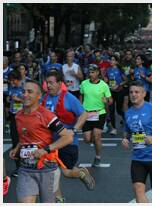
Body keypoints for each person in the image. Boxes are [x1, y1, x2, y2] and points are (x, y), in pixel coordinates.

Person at [9, 80, 73, 203]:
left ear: (39, 96)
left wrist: (45, 149)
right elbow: (24, 136)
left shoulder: (47, 115)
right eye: (23, 91)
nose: (25, 94)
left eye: (30, 92)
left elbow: (67, 137)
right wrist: (17, 147)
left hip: (47, 169)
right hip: (26, 169)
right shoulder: (18, 116)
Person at [42, 70, 95, 202]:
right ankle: (58, 199)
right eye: (47, 83)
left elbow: (84, 115)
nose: (48, 86)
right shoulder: (45, 97)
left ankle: (81, 172)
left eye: (51, 83)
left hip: (67, 143)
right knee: (51, 173)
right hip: (50, 143)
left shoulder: (69, 98)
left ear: (60, 83)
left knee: (66, 172)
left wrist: (75, 130)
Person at [80, 64, 112, 166]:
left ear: (98, 73)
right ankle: (96, 143)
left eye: (93, 72)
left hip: (99, 113)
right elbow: (81, 96)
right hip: (86, 113)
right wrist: (80, 107)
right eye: (89, 72)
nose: (91, 74)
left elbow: (110, 100)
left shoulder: (104, 85)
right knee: (87, 139)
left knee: (97, 137)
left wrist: (106, 100)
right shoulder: (84, 83)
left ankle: (98, 157)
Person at [7, 69, 24, 177]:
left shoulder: (24, 88)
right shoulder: (11, 88)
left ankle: (27, 167)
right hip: (13, 117)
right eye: (11, 81)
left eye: (14, 81)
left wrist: (19, 100)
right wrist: (9, 99)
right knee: (15, 142)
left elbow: (31, 101)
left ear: (18, 80)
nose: (12, 83)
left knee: (24, 143)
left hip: (23, 118)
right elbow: (9, 99)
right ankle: (18, 168)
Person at [105, 55, 127, 135]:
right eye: (110, 60)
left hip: (119, 91)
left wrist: (119, 85)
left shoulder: (120, 70)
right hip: (111, 92)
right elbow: (106, 80)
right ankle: (114, 128)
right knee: (111, 110)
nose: (111, 61)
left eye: (113, 60)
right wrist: (106, 81)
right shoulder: (108, 70)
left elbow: (126, 80)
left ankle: (126, 119)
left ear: (117, 62)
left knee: (119, 110)